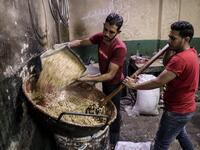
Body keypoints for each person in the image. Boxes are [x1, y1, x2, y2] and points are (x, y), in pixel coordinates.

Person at [123, 21, 199, 150]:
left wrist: (135, 86)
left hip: (177, 111)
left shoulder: (180, 59)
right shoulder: (191, 53)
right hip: (186, 108)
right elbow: (167, 65)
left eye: (173, 38)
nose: (169, 41)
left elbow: (158, 81)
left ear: (186, 39)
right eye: (169, 37)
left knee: (161, 143)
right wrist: (170, 48)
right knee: (181, 134)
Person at [65, 13, 127, 148]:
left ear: (118, 32)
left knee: (114, 112)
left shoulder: (119, 48)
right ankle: (105, 129)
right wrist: (66, 45)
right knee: (105, 106)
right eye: (105, 29)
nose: (106, 34)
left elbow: (110, 75)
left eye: (111, 32)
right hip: (105, 80)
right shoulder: (101, 37)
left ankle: (114, 141)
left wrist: (87, 78)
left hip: (115, 84)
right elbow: (82, 42)